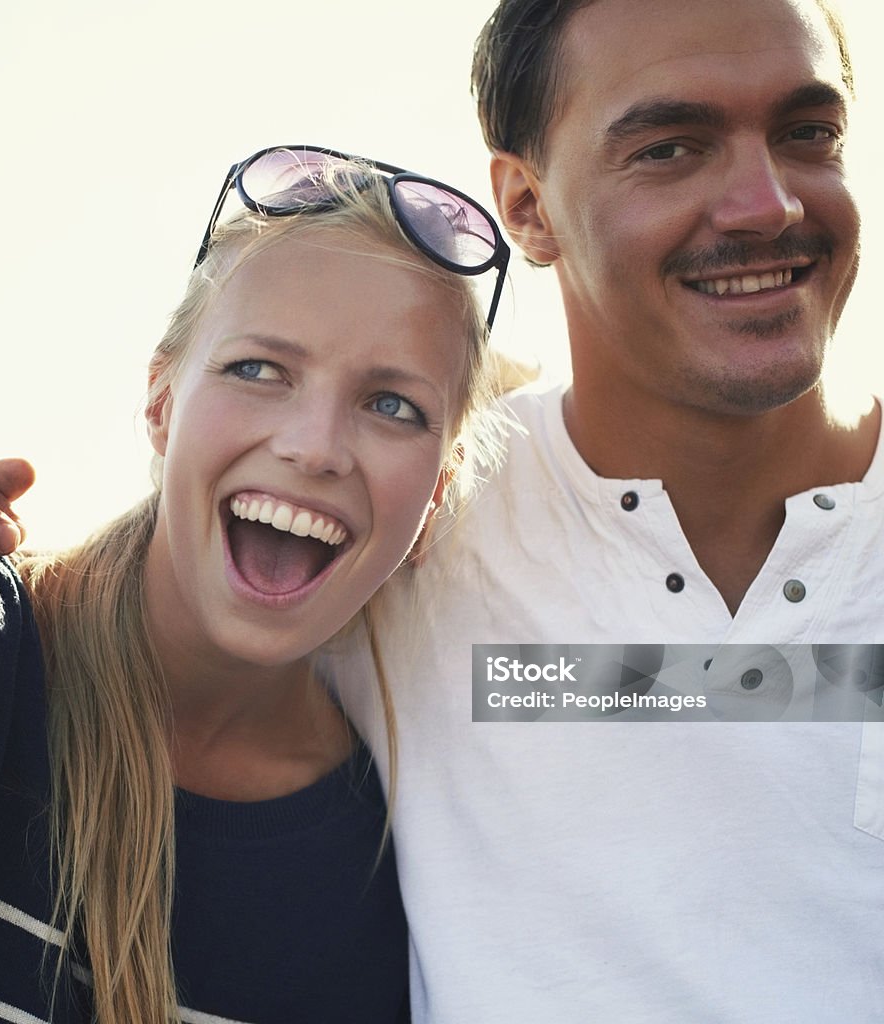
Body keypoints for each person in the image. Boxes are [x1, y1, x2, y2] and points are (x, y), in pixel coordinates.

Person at [0, 146, 510, 1023]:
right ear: (162, 403)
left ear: (434, 496)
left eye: (392, 405)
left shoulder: (386, 882)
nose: (314, 447)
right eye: (258, 369)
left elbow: (739, 690)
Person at [327, 1, 883, 1021]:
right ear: (527, 206)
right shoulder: (414, 525)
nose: (766, 204)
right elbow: (103, 643)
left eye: (808, 133)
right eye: (669, 148)